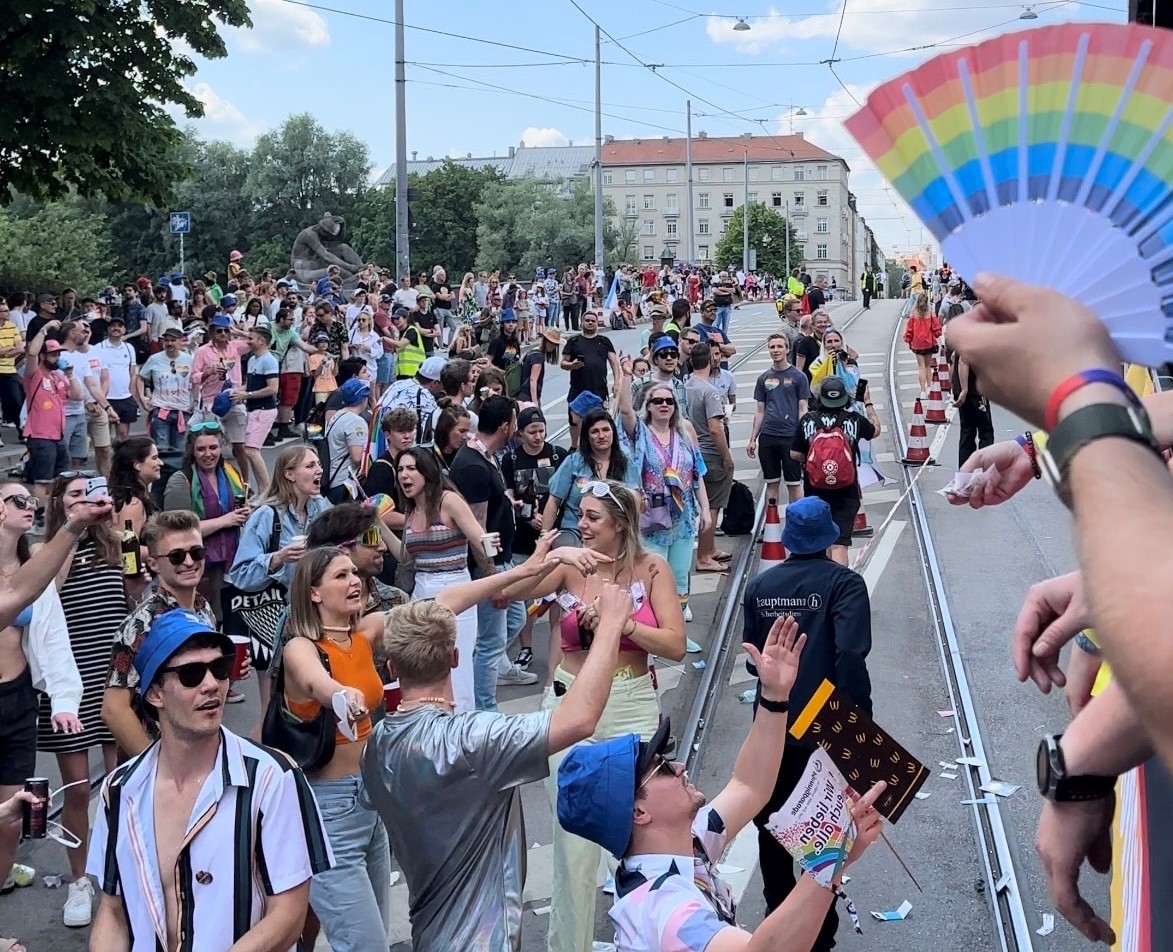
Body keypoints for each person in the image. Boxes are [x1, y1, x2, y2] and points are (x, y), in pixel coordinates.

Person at [557, 616, 885, 952]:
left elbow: (749, 786)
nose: (680, 766)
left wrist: (774, 696)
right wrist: (830, 859)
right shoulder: (663, 910)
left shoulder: (683, 844)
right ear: (639, 811)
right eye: (663, 768)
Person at [357, 548, 621, 951]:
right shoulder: (472, 739)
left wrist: (530, 569)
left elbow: (440, 606)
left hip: (428, 935)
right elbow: (579, 719)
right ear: (455, 657)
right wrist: (611, 626)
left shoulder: (376, 746)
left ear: (392, 668)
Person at [499, 479, 686, 952]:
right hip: (568, 707)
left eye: (591, 517)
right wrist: (551, 556)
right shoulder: (570, 569)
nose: (579, 525)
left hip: (631, 707)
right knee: (573, 849)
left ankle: (653, 938)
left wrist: (620, 623)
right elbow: (505, 596)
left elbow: (676, 646)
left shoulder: (652, 569)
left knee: (642, 836)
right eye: (578, 516)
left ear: (620, 523)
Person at [88, 608, 331, 952]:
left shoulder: (272, 777)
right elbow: (113, 911)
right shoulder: (120, 790)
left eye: (219, 669)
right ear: (155, 693)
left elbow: (290, 914)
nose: (211, 684)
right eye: (190, 674)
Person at [741, 497, 872, 944]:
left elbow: (752, 661)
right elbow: (851, 656)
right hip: (828, 731)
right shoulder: (845, 585)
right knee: (826, 836)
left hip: (773, 727)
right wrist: (861, 729)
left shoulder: (760, 587)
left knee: (772, 828)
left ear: (790, 540)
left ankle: (778, 922)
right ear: (829, 537)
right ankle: (819, 932)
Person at [277, 548, 390, 952]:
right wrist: (342, 695)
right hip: (331, 812)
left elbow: (447, 601)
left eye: (353, 573)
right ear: (314, 593)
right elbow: (315, 683)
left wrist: (530, 568)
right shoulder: (300, 648)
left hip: (373, 802)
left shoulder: (364, 635)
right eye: (341, 576)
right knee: (366, 945)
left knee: (373, 937)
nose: (354, 580)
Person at [0, 485, 83, 915]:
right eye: (19, 500)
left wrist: (64, 700)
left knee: (12, 823)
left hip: (17, 700)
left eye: (32, 502)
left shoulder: (34, 570)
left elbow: (53, 641)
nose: (28, 507)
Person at [102, 510, 220, 760]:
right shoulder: (142, 623)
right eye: (177, 556)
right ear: (153, 563)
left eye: (196, 552)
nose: (189, 562)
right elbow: (114, 708)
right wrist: (155, 766)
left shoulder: (203, 608)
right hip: (163, 764)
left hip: (203, 752)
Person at [227, 444, 331, 709]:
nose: (319, 470)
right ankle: (265, 750)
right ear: (289, 474)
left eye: (318, 464)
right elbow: (240, 574)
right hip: (276, 619)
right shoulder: (266, 515)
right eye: (310, 466)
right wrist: (278, 558)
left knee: (311, 705)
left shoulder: (321, 508)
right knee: (275, 708)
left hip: (318, 617)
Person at [397, 445, 494, 710]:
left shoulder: (447, 501)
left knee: (458, 667)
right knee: (428, 666)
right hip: (421, 591)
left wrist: (492, 570)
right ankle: (433, 723)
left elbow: (479, 537)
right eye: (400, 470)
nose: (404, 475)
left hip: (454, 586)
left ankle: (462, 731)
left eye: (411, 469)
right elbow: (407, 558)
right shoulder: (411, 510)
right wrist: (379, 524)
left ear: (426, 472)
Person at [448, 396, 519, 712]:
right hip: (488, 567)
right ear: (506, 426)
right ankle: (484, 709)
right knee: (490, 643)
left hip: (501, 561)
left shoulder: (485, 456)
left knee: (514, 619)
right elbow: (477, 529)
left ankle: (484, 682)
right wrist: (492, 579)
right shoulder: (473, 465)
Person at [628, 378, 710, 634]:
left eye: (669, 401)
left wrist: (705, 509)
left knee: (680, 574)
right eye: (658, 401)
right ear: (648, 406)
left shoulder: (685, 433)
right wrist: (622, 376)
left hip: (683, 517)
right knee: (653, 576)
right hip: (652, 519)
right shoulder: (639, 435)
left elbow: (698, 475)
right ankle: (651, 631)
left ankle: (675, 633)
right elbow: (623, 413)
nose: (664, 405)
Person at [162, 422, 250, 618]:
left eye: (213, 447)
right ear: (192, 452)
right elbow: (175, 533)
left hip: (234, 560)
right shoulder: (180, 481)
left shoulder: (230, 472)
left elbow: (245, 499)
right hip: (199, 566)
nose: (208, 454)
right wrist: (225, 521)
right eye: (201, 449)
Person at [790, 377, 879, 567]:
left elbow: (794, 453)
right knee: (839, 545)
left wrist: (812, 461)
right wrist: (868, 403)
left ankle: (823, 585)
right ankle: (840, 588)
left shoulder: (808, 420)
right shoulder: (853, 419)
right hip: (847, 491)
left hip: (815, 490)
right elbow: (875, 430)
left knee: (820, 544)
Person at [686, 343, 735, 573]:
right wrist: (726, 456)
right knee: (712, 506)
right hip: (711, 452)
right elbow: (715, 428)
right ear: (710, 361)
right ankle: (704, 556)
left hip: (692, 450)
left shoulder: (686, 385)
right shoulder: (710, 390)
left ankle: (711, 549)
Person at [748, 333, 812, 505]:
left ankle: (797, 523)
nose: (776, 350)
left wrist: (803, 438)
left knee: (794, 484)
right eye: (772, 347)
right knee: (771, 483)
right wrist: (753, 438)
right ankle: (771, 527)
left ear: (787, 349)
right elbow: (760, 410)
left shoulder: (799, 377)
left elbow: (803, 408)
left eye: (779, 347)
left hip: (790, 437)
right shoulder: (763, 378)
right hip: (768, 436)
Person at [22, 330, 77, 518]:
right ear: (44, 356)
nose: (57, 358)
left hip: (58, 435)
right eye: (53, 355)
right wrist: (44, 328)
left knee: (60, 479)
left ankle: (53, 514)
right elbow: (31, 352)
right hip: (40, 435)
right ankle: (39, 517)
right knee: (42, 480)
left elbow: (78, 396)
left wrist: (70, 375)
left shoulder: (58, 377)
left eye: (59, 354)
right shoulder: (34, 375)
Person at [561, 309, 619, 450]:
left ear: (597, 323)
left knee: (599, 421)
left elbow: (614, 363)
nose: (590, 323)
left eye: (593, 321)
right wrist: (572, 365)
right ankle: (575, 447)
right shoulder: (573, 341)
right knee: (574, 422)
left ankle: (596, 448)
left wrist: (617, 382)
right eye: (587, 320)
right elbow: (563, 363)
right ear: (582, 323)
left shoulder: (604, 341)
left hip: (599, 389)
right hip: (577, 389)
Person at [136, 325, 194, 454]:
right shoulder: (154, 359)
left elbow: (195, 381)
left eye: (173, 340)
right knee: (162, 451)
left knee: (181, 451)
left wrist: (195, 401)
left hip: (182, 410)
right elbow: (140, 377)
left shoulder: (189, 359)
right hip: (161, 410)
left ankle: (178, 475)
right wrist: (142, 398)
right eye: (166, 340)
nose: (169, 343)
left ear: (180, 342)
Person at [379, 354, 445, 444]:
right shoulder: (424, 396)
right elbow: (431, 433)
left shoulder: (397, 384)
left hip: (383, 448)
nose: (443, 389)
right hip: (405, 452)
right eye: (443, 385)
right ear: (434, 383)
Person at [323, 378, 371, 504]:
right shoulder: (355, 422)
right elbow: (357, 457)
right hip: (346, 483)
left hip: (333, 479)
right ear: (363, 399)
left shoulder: (337, 415)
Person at [903, 292, 942, 396]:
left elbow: (909, 329)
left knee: (921, 367)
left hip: (917, 343)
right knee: (928, 366)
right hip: (928, 342)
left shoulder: (913, 313)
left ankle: (922, 391)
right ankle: (929, 387)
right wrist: (938, 334)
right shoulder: (930, 313)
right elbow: (936, 328)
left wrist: (908, 338)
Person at [520, 328, 560, 405]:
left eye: (555, 344)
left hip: (523, 393)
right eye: (550, 342)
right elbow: (533, 380)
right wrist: (534, 401)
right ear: (545, 341)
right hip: (528, 396)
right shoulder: (538, 357)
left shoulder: (532, 352)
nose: (553, 346)